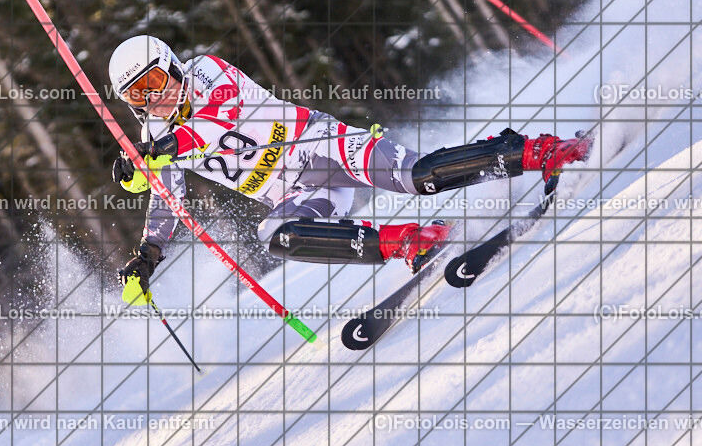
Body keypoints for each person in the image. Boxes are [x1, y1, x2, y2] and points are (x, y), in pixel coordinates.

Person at [109, 35, 592, 298]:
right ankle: (410, 243)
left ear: (172, 67)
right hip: (298, 191)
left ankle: (533, 152)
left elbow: (223, 116)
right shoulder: (158, 141)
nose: (154, 97)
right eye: (139, 94)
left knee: (416, 177)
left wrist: (163, 148)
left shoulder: (206, 73)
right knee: (274, 234)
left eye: (155, 80)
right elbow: (165, 200)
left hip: (323, 145)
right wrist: (149, 253)